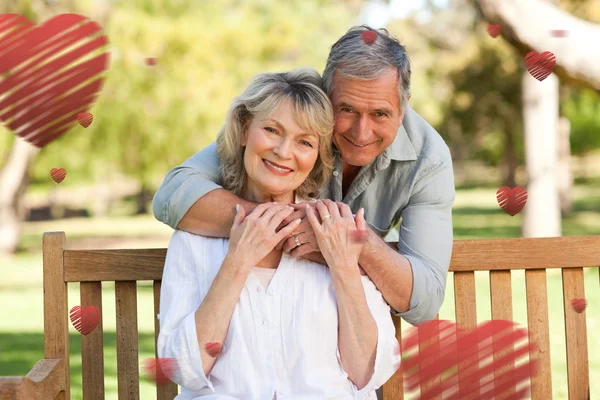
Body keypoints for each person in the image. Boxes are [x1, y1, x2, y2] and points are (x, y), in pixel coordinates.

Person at [153, 25, 456, 328]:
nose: (361, 133)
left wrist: (344, 238)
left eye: (380, 114)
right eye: (347, 109)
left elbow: (424, 302)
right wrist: (283, 225)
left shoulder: (428, 160)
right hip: (265, 315)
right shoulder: (293, 122)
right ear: (327, 95)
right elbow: (173, 195)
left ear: (403, 109)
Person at [157, 67, 401, 399]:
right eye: (272, 130)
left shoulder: (334, 230)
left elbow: (367, 373)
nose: (284, 152)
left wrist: (343, 265)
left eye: (304, 142)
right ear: (244, 129)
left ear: (317, 156)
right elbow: (181, 367)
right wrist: (238, 262)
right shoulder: (194, 235)